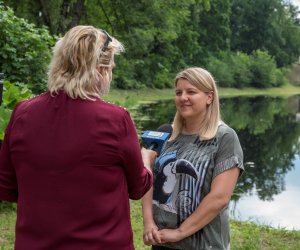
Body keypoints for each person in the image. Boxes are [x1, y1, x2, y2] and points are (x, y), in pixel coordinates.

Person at [0, 25, 155, 250]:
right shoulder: (116, 119)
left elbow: (6, 188)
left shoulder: (22, 112)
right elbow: (138, 187)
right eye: (111, 67)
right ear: (100, 70)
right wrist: (146, 161)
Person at [142, 67, 244, 250]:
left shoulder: (224, 137)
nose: (183, 98)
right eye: (178, 92)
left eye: (191, 92)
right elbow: (150, 180)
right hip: (163, 240)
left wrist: (179, 233)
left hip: (204, 244)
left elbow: (219, 197)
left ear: (209, 97)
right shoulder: (167, 134)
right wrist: (149, 223)